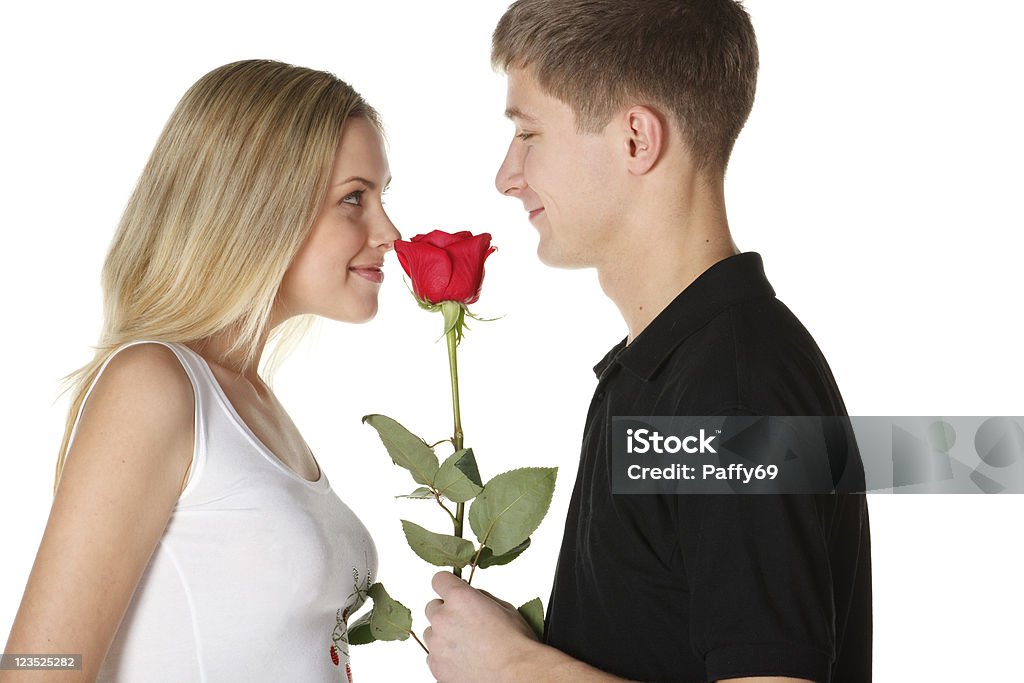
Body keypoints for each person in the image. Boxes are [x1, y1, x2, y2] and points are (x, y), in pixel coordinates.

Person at [423, 2, 872, 682]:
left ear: (636, 138)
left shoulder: (734, 394)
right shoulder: (671, 373)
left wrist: (512, 665)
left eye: (529, 132)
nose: (507, 175)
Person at [1, 60, 400, 682]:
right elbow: (38, 665)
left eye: (381, 197)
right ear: (260, 207)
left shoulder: (253, 402)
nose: (389, 232)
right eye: (354, 198)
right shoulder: (154, 384)